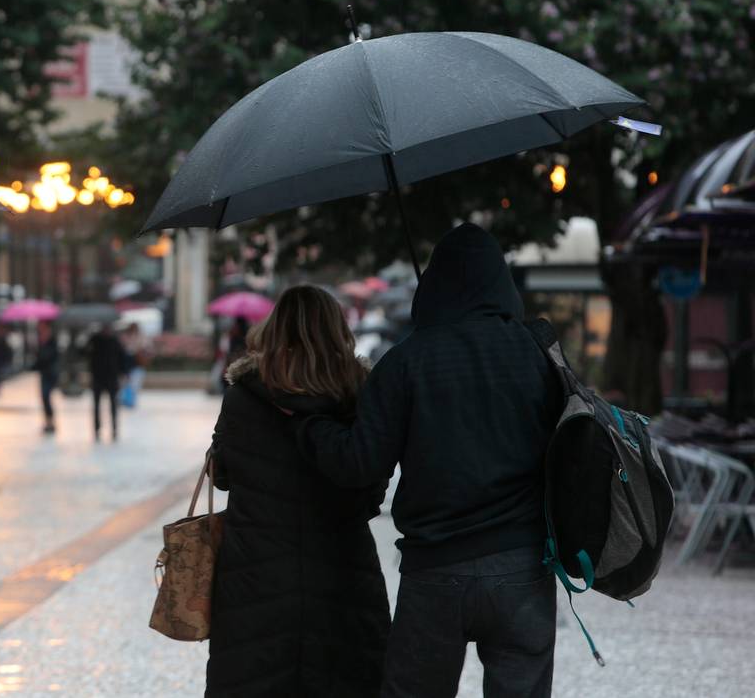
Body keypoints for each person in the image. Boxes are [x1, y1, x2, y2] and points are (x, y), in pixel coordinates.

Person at [298, 223, 563, 698]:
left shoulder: (406, 361)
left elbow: (360, 463)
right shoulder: (537, 354)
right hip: (521, 566)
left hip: (437, 568)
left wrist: (311, 425)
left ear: (435, 285)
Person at [208, 284, 389, 697]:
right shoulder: (359, 395)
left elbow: (223, 476)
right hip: (343, 572)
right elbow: (372, 485)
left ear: (275, 327)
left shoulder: (243, 396)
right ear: (337, 330)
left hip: (256, 576)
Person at [87, 323, 128, 440]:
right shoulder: (95, 340)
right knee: (97, 405)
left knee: (113, 405)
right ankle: (97, 428)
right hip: (98, 377)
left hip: (111, 377)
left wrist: (123, 373)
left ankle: (114, 429)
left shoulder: (115, 341)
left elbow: (122, 358)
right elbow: (85, 353)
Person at [34, 321, 60, 434]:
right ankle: (48, 422)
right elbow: (39, 359)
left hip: (51, 374)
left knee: (46, 396)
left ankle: (50, 422)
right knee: (45, 398)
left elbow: (50, 357)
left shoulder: (52, 341)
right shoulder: (41, 341)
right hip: (44, 374)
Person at [121, 324, 151, 409]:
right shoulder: (125, 337)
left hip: (137, 362)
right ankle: (127, 400)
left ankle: (131, 401)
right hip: (127, 362)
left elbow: (147, 348)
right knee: (126, 382)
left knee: (135, 383)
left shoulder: (141, 337)